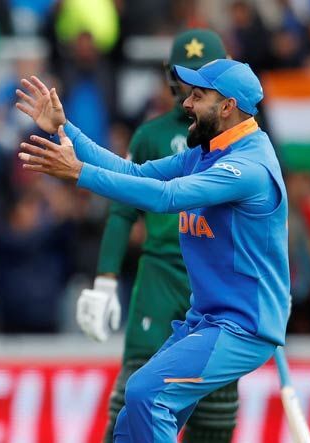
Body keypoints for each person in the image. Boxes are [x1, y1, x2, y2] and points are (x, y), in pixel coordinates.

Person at [16, 58, 288, 440]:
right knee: (131, 421)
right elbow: (135, 173)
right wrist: (65, 129)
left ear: (228, 106)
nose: (186, 103)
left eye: (198, 96)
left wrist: (79, 173)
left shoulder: (247, 167)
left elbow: (165, 197)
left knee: (146, 393)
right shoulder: (208, 151)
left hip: (241, 327)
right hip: (207, 318)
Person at [77, 30, 239, 442]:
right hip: (161, 275)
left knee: (215, 417)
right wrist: (105, 280)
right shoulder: (152, 136)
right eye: (188, 78)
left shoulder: (243, 145)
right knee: (135, 395)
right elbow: (123, 207)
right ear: (171, 77)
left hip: (217, 280)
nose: (194, 89)